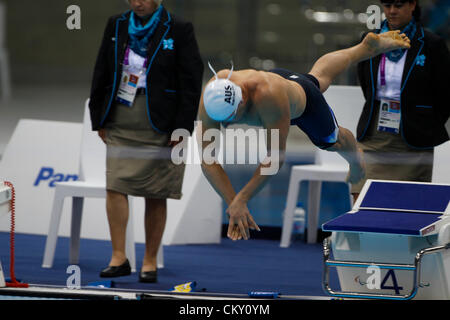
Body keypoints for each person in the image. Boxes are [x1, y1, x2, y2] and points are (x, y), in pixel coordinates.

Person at [197, 31, 411, 241]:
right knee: (318, 77)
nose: (225, 125)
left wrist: (242, 199)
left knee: (331, 141)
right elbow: (208, 160)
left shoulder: (268, 98)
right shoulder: (211, 98)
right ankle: (364, 49)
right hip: (285, 84)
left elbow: (274, 159)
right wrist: (235, 204)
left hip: (304, 104)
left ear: (241, 99)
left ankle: (355, 156)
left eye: (231, 118)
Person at [88, 0, 203, 282]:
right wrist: (98, 118)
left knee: (156, 191)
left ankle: (149, 260)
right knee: (115, 185)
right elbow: (102, 68)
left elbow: (191, 79)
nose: (137, 2)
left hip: (162, 122)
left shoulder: (179, 28)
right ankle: (119, 257)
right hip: (121, 116)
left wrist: (183, 127)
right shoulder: (117, 24)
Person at [351, 0, 450, 201]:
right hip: (374, 133)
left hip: (414, 136)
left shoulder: (431, 44)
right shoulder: (370, 40)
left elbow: (445, 95)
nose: (392, 11)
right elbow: (366, 85)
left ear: (412, 5)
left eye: (398, 5)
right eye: (387, 6)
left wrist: (425, 122)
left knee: (408, 206)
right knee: (361, 198)